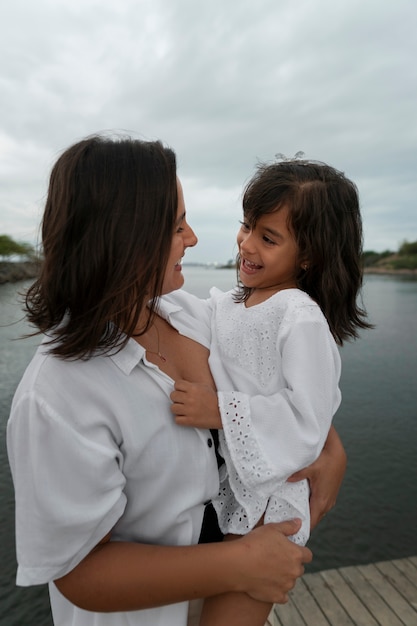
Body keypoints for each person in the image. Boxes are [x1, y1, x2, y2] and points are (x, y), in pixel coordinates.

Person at [6, 135, 345, 626]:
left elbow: (272, 378)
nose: (193, 238)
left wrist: (331, 447)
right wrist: (241, 565)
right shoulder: (57, 394)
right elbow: (76, 573)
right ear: (126, 237)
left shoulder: (193, 314)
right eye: (177, 225)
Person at [169, 158, 371, 625]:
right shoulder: (236, 301)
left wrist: (222, 411)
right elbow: (185, 309)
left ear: (308, 256)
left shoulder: (299, 317)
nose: (246, 244)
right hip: (235, 487)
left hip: (272, 500)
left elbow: (307, 419)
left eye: (268, 237)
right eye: (246, 227)